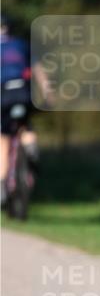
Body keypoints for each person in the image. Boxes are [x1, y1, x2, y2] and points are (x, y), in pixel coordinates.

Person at [0, 15, 42, 206]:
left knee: (4, 137)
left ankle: (1, 184)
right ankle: (31, 147)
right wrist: (49, 93)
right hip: (24, 93)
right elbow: (38, 70)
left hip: (4, 96)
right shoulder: (21, 44)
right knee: (25, 127)